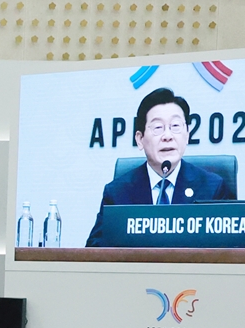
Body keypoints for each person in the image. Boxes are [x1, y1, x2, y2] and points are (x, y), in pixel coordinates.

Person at [84, 88, 235, 246]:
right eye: (158, 128)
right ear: (140, 139)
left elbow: (230, 249)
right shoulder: (117, 193)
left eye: (175, 126)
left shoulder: (212, 188)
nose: (168, 136)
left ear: (187, 135)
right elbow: (95, 249)